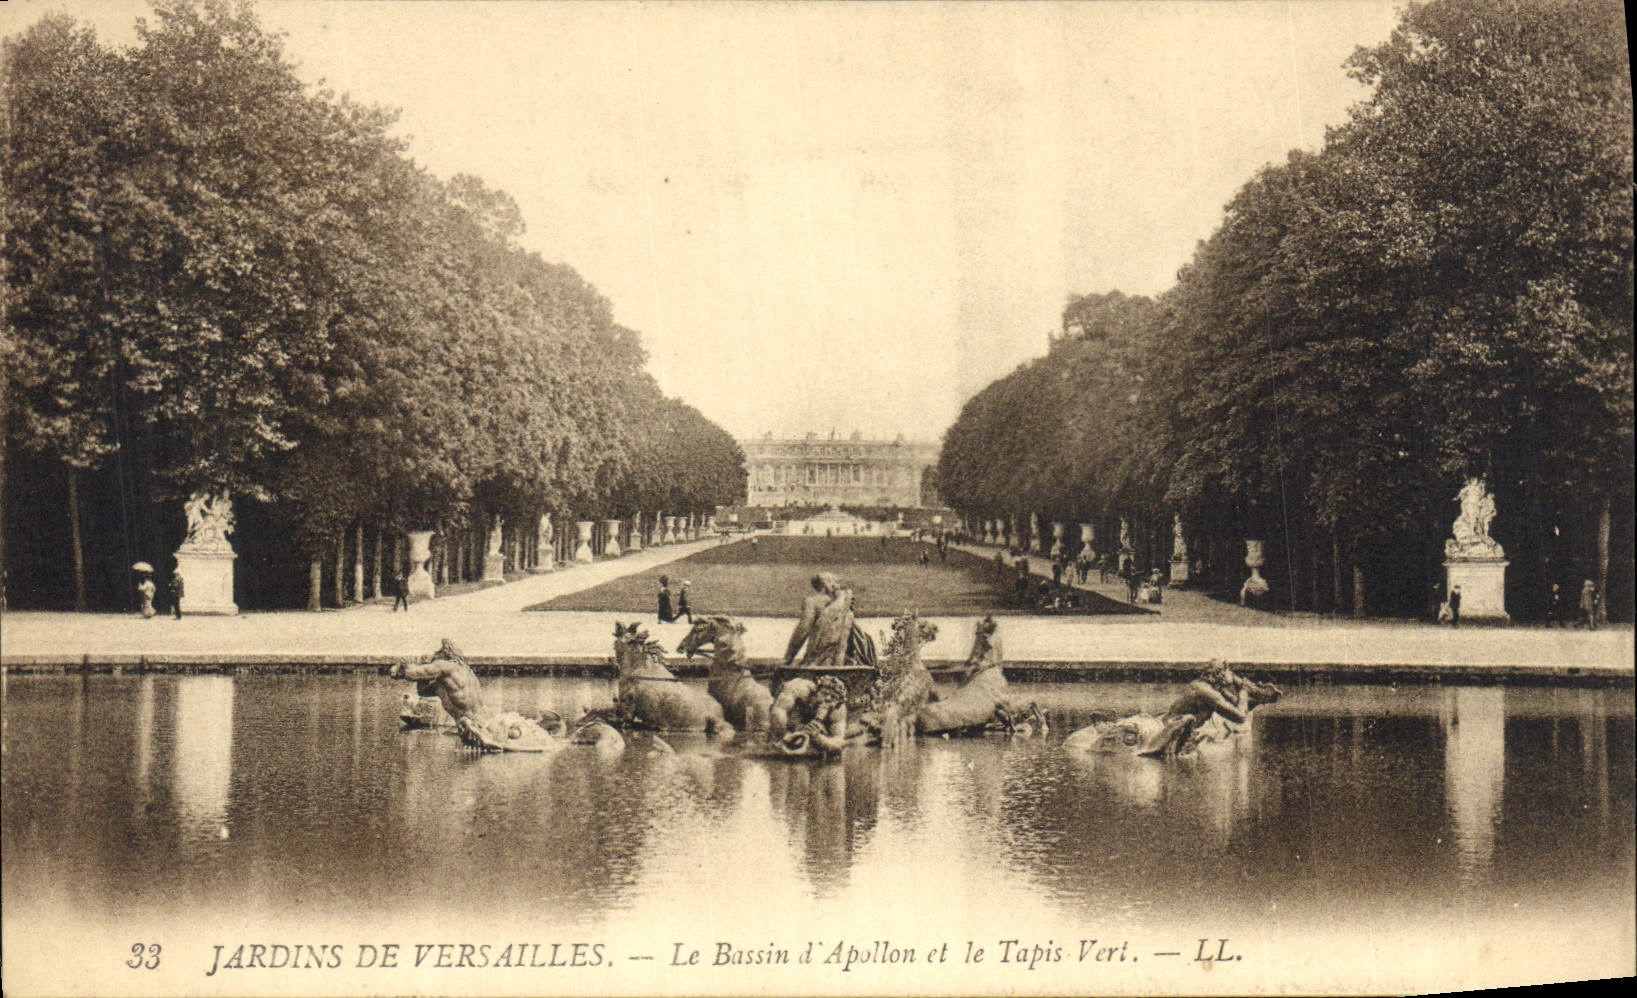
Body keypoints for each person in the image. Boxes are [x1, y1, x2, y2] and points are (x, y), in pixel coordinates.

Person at [770, 675, 850, 755]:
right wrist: (786, 735)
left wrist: (818, 738)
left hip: (811, 729)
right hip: (789, 718)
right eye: (825, 693)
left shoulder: (838, 709)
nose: (828, 699)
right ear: (816, 691)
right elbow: (778, 711)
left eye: (833, 697)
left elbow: (839, 743)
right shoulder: (799, 688)